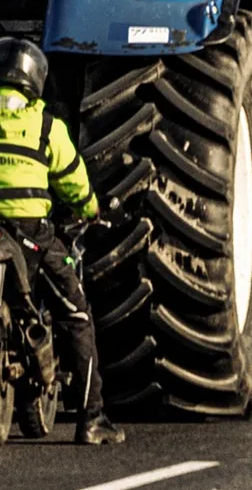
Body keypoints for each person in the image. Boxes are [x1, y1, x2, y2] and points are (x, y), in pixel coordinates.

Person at [0, 38, 124, 445]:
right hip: (31, 236)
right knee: (76, 315)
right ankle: (91, 420)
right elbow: (74, 180)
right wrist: (91, 209)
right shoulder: (45, 125)